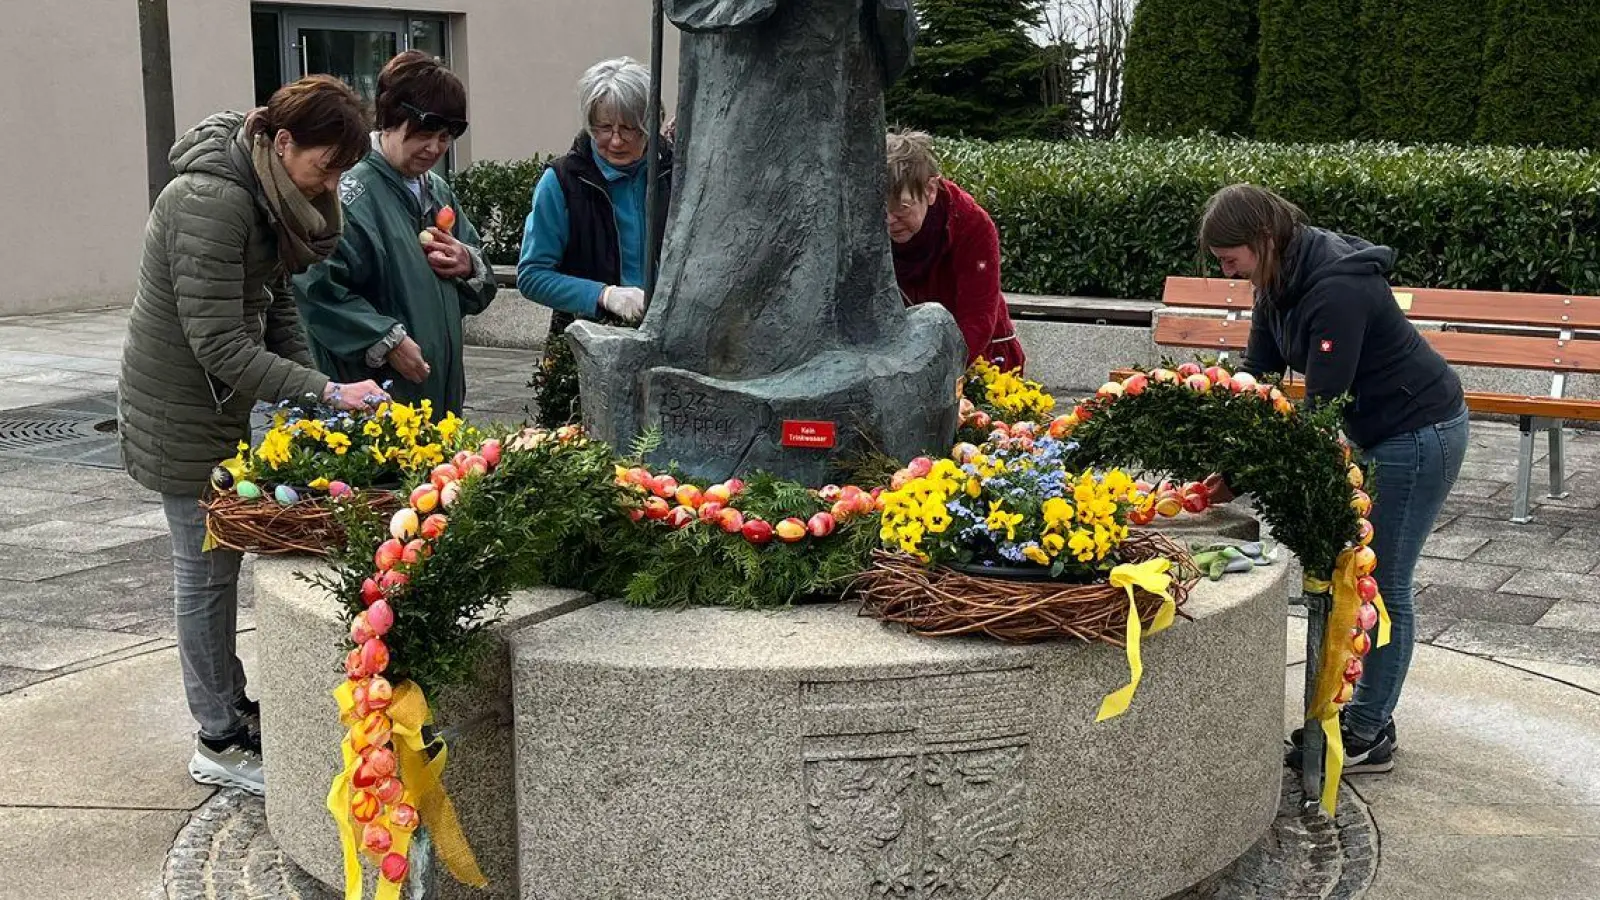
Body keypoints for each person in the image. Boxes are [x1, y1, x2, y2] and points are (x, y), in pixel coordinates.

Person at [119, 76, 388, 795]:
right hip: (180, 411)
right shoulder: (212, 202)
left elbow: (273, 309)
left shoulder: (265, 190)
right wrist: (324, 391)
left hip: (217, 403)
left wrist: (314, 393)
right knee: (204, 574)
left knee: (218, 568)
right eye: (324, 166)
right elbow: (217, 342)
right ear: (283, 141)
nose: (329, 184)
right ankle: (216, 738)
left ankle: (231, 706)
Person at [1199, 183, 1469, 775]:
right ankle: (1366, 713)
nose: (1228, 273)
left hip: (1418, 433)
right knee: (1361, 577)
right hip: (1377, 429)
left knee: (1383, 582)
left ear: (1263, 239)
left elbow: (1321, 411)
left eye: (1230, 259)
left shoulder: (1337, 289)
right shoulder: (1275, 279)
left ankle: (1369, 731)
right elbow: (1259, 379)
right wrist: (1224, 459)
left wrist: (1246, 474)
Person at [294, 51, 497, 415]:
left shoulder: (437, 191)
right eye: (424, 134)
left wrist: (469, 263)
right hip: (373, 405)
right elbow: (316, 290)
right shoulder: (350, 194)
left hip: (439, 396)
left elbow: (480, 282)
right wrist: (385, 339)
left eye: (445, 137)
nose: (434, 148)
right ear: (389, 119)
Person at [516, 57, 672, 425]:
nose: (615, 140)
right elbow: (532, 275)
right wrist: (605, 295)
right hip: (583, 349)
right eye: (603, 128)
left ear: (652, 123)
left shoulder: (676, 173)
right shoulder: (561, 182)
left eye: (630, 128)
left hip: (668, 345)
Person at [885, 130, 1025, 372]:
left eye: (902, 208)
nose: (889, 220)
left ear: (930, 190)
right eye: (881, 208)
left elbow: (977, 319)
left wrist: (935, 376)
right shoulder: (862, 223)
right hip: (897, 361)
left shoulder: (972, 224)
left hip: (978, 359)